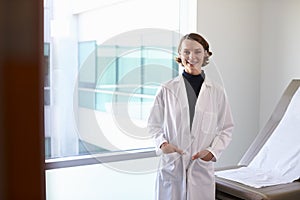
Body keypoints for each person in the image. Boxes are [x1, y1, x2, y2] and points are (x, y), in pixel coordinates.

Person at [147, 33, 234, 200]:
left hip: (201, 167)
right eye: (186, 52)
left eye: (197, 52)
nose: (191, 57)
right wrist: (163, 144)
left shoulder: (216, 91)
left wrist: (212, 152)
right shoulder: (167, 88)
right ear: (180, 55)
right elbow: (153, 124)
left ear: (206, 54)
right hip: (173, 165)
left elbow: (226, 127)